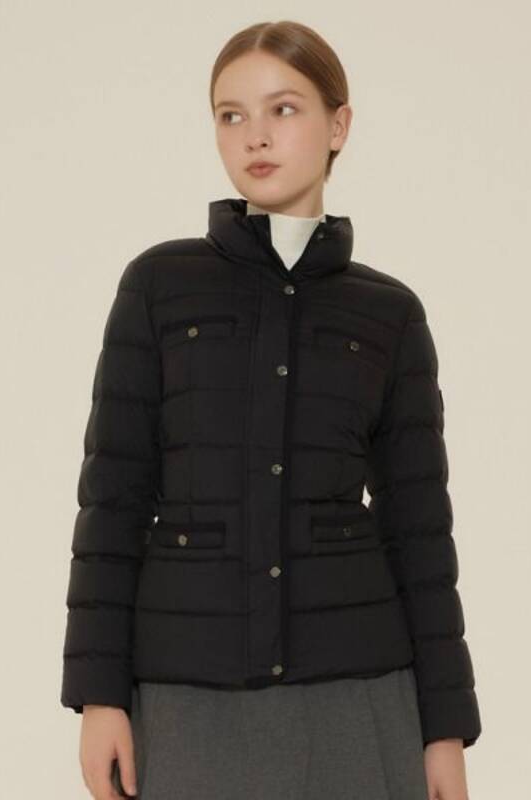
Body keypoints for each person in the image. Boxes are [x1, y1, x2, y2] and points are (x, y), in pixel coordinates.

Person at [61, 20, 482, 800]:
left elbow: (421, 532)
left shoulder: (389, 314)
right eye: (231, 115)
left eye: (283, 109)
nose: (254, 135)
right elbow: (112, 503)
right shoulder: (158, 287)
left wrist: (445, 731)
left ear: (338, 125)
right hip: (187, 693)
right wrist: (98, 695)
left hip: (358, 692)